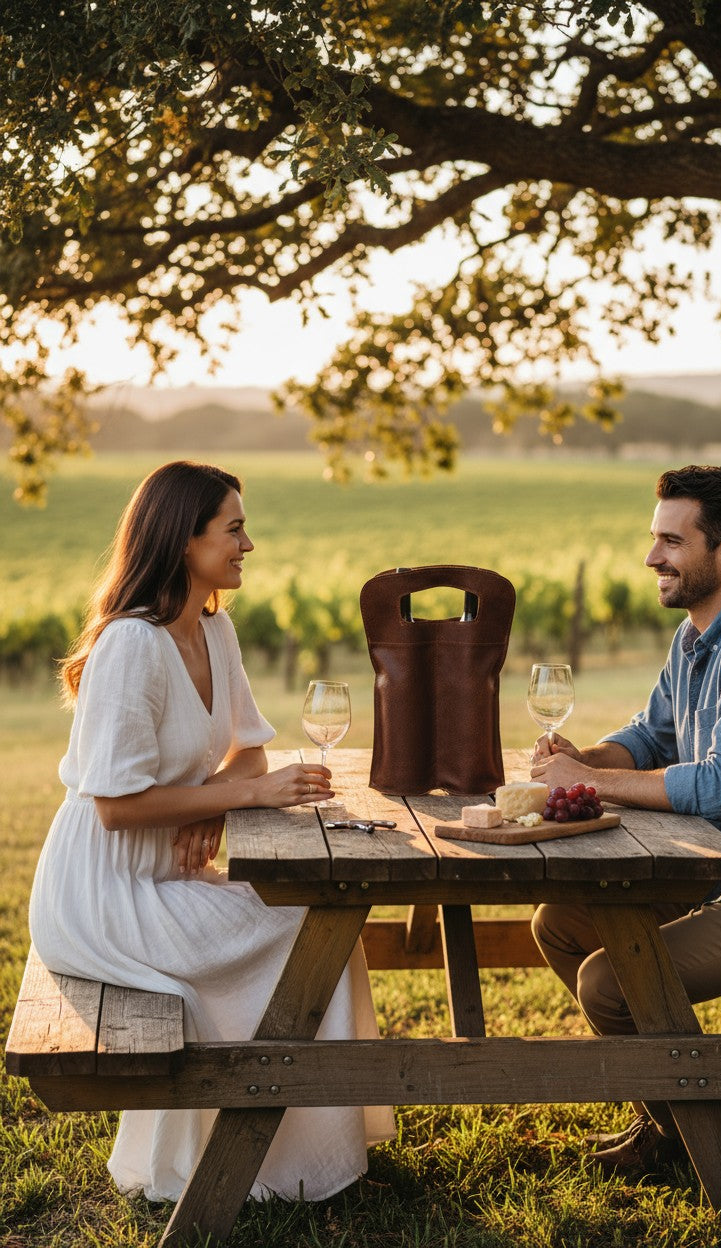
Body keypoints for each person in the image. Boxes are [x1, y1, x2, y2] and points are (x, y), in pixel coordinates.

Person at [29, 460, 393, 1204]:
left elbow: (250, 742)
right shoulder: (131, 646)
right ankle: (266, 1167)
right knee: (307, 928)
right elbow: (114, 806)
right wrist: (237, 795)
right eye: (233, 530)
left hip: (163, 872)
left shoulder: (213, 627)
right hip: (105, 892)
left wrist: (214, 803)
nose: (247, 546)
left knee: (322, 926)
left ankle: (294, 1158)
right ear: (182, 540)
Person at [529, 464, 721, 1176]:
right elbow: (653, 734)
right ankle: (694, 1117)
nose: (651, 557)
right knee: (560, 922)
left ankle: (704, 1135)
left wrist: (593, 781)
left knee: (608, 983)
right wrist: (586, 754)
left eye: (671, 540)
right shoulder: (698, 635)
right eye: (653, 537)